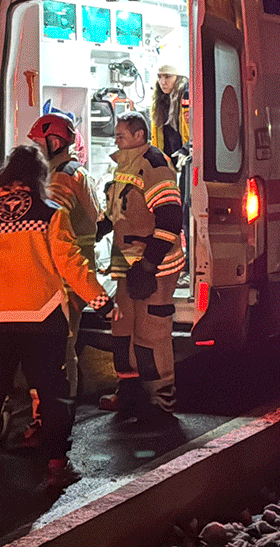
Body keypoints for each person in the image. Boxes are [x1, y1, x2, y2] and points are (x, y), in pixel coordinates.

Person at [0, 145, 111, 494]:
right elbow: (71, 264)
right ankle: (56, 467)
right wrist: (102, 301)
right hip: (40, 318)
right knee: (52, 393)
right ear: (39, 178)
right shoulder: (50, 214)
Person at [96, 112, 184, 421]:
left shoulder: (155, 166)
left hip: (155, 265)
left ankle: (161, 401)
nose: (116, 140)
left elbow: (171, 218)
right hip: (127, 259)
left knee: (151, 332)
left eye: (120, 135)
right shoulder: (125, 164)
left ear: (139, 135)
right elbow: (117, 210)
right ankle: (129, 391)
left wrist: (149, 263)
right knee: (123, 326)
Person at [28, 113, 101, 399]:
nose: (34, 149)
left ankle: (60, 405)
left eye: (37, 143)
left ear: (55, 142)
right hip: (75, 271)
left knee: (61, 343)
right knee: (64, 341)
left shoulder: (60, 178)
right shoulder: (76, 171)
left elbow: (48, 220)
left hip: (66, 274)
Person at [150, 64, 191, 162]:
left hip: (186, 156)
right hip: (167, 159)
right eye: (159, 76)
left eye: (167, 76)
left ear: (178, 78)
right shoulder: (159, 100)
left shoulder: (187, 97)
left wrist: (186, 150)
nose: (162, 82)